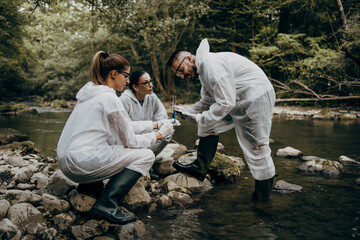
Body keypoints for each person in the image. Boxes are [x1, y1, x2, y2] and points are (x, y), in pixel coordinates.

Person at [56, 51, 174, 224]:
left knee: (112, 142)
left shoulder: (90, 94)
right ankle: (106, 204)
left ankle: (90, 187)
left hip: (67, 161)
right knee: (146, 156)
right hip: (81, 163)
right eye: (125, 76)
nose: (127, 81)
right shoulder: (109, 98)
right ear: (113, 74)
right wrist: (160, 135)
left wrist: (156, 124)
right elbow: (131, 141)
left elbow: (124, 126)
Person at [167, 38, 276, 201]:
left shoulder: (211, 64)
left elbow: (226, 102)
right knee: (207, 125)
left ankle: (263, 197)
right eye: (179, 74)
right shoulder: (203, 70)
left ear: (189, 58)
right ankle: (199, 167)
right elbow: (207, 101)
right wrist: (186, 111)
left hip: (256, 98)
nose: (183, 76)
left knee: (257, 147)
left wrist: (200, 117)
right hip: (239, 100)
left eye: (181, 70)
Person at [119, 70, 177, 156]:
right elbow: (125, 128)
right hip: (132, 140)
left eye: (150, 81)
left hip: (150, 135)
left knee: (168, 133)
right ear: (135, 87)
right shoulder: (124, 100)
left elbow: (162, 117)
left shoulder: (152, 97)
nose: (151, 85)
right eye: (146, 83)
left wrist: (166, 127)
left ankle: (152, 157)